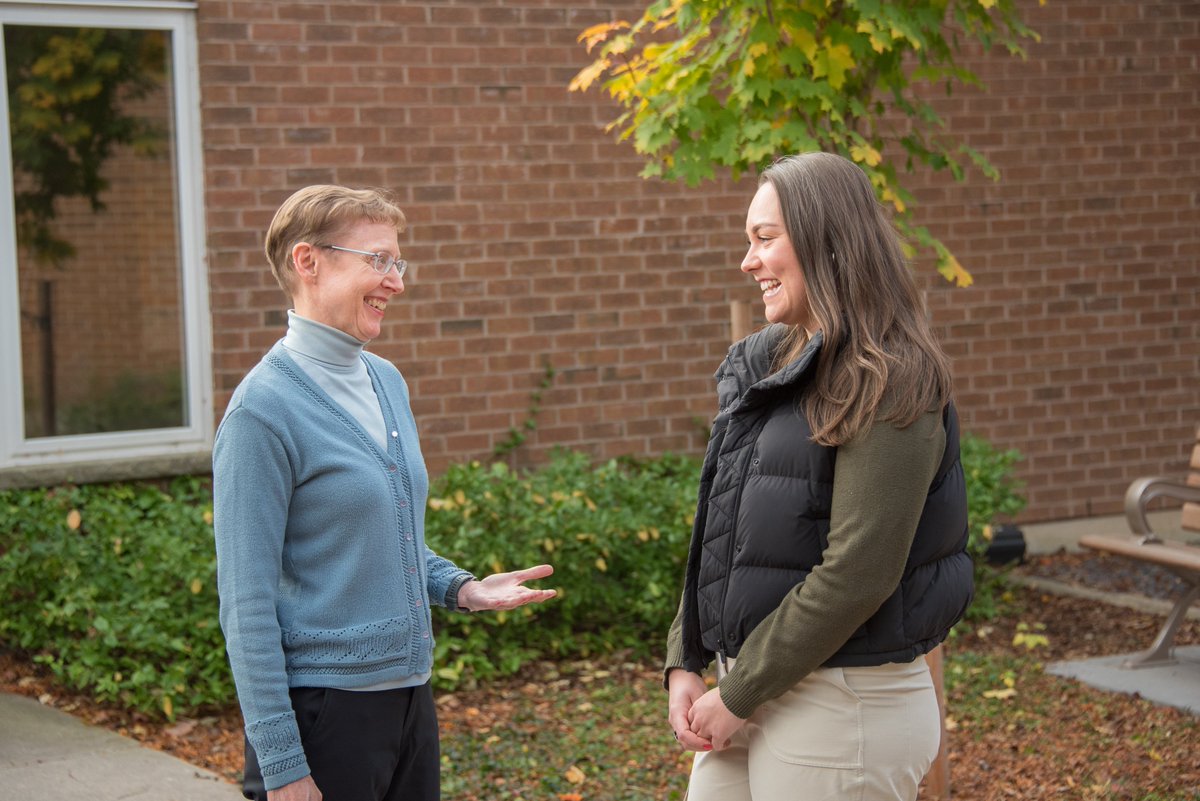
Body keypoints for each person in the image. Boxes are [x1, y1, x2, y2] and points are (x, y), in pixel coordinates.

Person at [212, 185, 556, 801]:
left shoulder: (386, 381)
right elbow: (246, 604)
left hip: (409, 701)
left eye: (398, 262)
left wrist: (463, 589)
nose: (395, 281)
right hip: (324, 714)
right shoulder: (260, 412)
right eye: (377, 260)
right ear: (308, 261)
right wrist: (282, 763)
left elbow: (384, 539)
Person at [664, 152, 973, 801]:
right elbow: (720, 529)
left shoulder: (889, 378)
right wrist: (684, 657)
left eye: (764, 238)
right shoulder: (765, 364)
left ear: (825, 240)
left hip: (843, 704)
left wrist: (739, 691)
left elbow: (859, 570)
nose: (747, 261)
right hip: (752, 684)